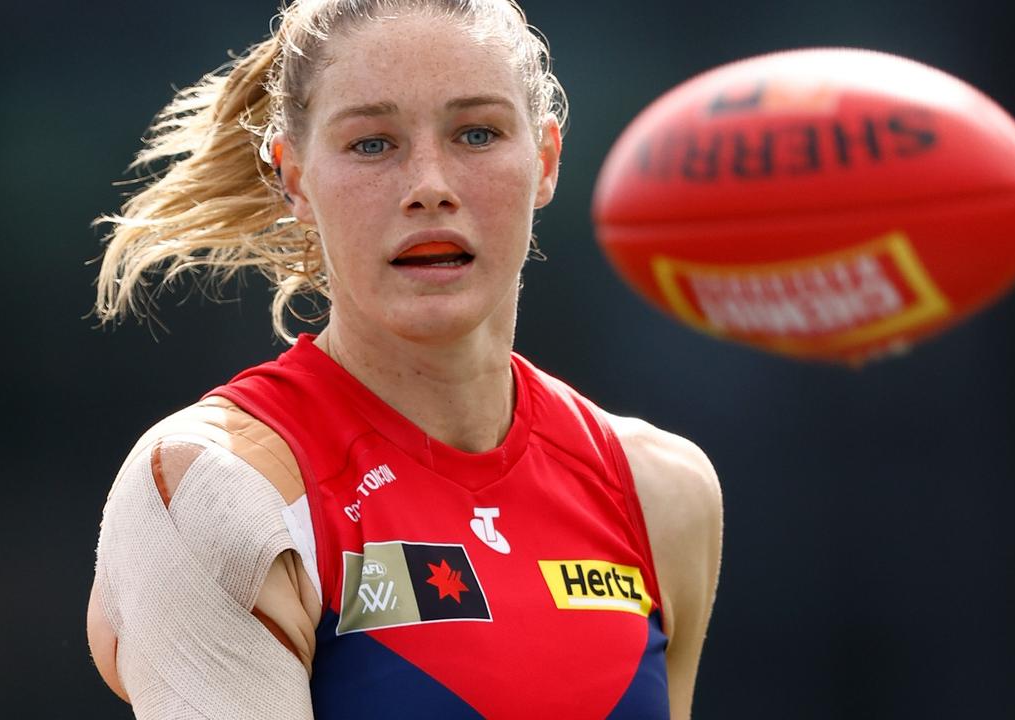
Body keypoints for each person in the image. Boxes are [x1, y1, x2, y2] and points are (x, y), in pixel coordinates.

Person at [85, 1, 723, 717]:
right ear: (293, 178)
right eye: (372, 144)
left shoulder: (658, 490)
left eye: (477, 134)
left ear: (544, 162)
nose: (430, 185)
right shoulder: (220, 491)